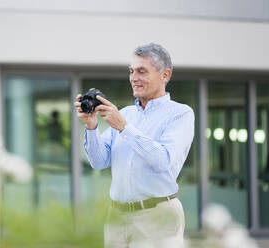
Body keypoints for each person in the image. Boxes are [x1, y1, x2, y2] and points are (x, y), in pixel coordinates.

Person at [74, 42, 194, 248]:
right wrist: (91, 126)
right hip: (116, 217)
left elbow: (163, 160)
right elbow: (99, 162)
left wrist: (123, 127)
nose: (133, 78)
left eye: (141, 71)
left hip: (158, 216)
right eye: (131, 71)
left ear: (165, 75)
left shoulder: (180, 114)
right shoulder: (126, 113)